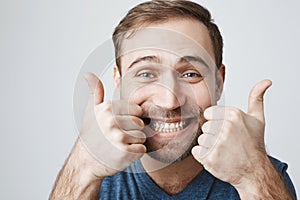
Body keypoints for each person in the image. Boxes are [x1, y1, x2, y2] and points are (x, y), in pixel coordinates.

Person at [49, 0, 297, 199]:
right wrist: (83, 166)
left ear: (219, 83)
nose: (169, 101)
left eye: (190, 74)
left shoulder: (261, 176)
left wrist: (252, 174)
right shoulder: (92, 176)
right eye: (146, 74)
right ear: (119, 80)